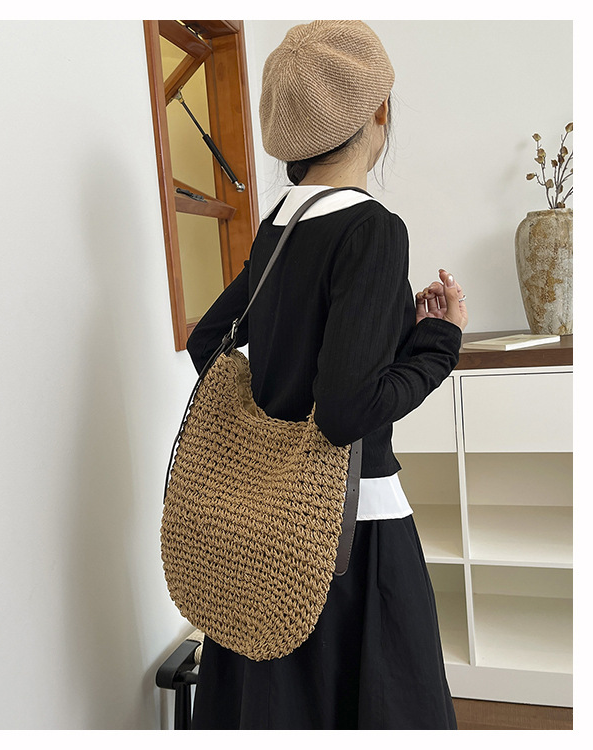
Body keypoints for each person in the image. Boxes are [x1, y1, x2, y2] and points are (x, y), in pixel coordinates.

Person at [184, 20, 468, 730]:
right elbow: (346, 410)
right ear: (378, 112)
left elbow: (209, 340)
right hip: (349, 538)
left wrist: (268, 411)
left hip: (262, 533)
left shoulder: (278, 225)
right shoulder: (372, 229)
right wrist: (438, 344)